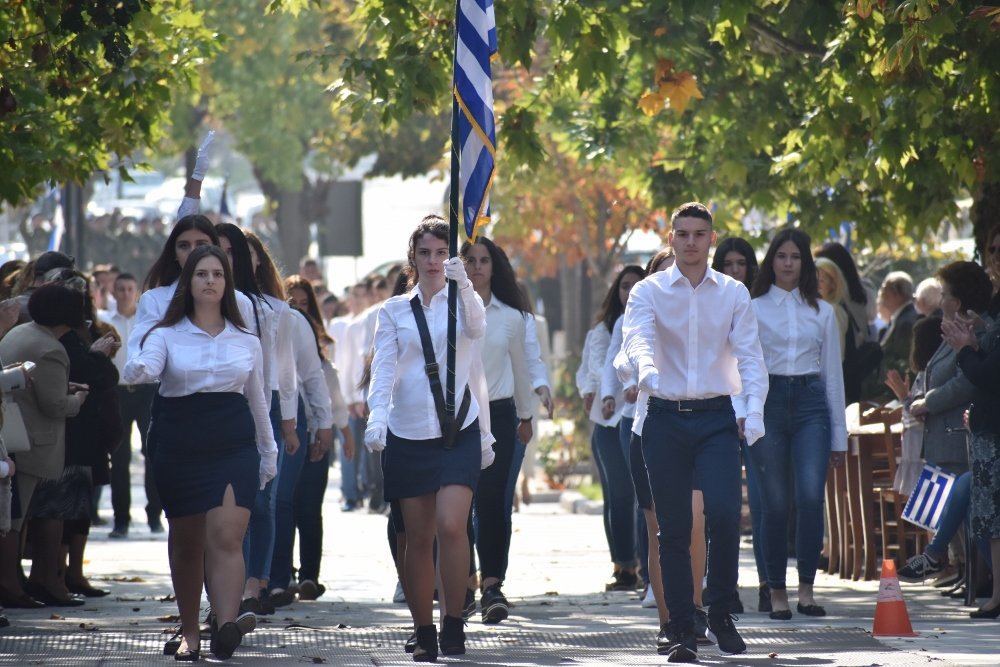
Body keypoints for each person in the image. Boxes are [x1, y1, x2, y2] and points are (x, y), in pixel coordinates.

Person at [623, 202, 767, 661]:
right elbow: (637, 338)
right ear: (671, 239)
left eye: (699, 234)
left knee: (725, 515)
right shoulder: (647, 291)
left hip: (715, 416)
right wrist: (645, 369)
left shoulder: (733, 293)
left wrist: (755, 411)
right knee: (673, 529)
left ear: (712, 238)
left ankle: (721, 610)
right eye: (682, 234)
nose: (690, 242)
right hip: (663, 416)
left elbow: (749, 355)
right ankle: (681, 627)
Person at [123, 245, 277, 661]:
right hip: (179, 440)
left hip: (233, 441)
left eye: (218, 274)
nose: (210, 280)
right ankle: (191, 631)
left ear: (227, 284)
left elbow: (258, 399)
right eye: (201, 274)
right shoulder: (166, 334)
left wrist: (269, 451)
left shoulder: (246, 338)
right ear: (188, 282)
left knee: (228, 536)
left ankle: (226, 627)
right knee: (188, 544)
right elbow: (148, 366)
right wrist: (136, 366)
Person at [365, 215, 492, 661]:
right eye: (426, 253)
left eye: (442, 253)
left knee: (452, 525)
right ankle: (424, 630)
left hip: (457, 430)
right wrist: (376, 415)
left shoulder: (464, 300)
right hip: (409, 430)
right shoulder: (394, 311)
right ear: (413, 258)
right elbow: (383, 368)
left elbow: (477, 331)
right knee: (416, 538)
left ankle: (453, 620)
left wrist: (468, 287)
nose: (434, 261)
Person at [747, 228, 846, 620]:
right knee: (774, 504)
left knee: (809, 498)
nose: (788, 263)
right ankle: (776, 592)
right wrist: (747, 414)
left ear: (805, 263)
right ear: (771, 261)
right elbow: (744, 366)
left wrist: (839, 437)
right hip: (768, 402)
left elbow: (832, 377)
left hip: (810, 405)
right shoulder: (753, 307)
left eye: (795, 257)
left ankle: (807, 589)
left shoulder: (822, 312)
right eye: (781, 256)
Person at [461, 236, 540, 622]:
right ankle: (462, 581)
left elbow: (522, 371)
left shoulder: (511, 317)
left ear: (495, 267)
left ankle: (493, 584)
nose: (477, 267)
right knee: (458, 506)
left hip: (501, 416)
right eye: (470, 259)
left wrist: (526, 416)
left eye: (484, 260)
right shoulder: (446, 311)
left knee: (493, 503)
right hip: (456, 419)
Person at [0, 285, 88, 608]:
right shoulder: (51, 348)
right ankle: (10, 585)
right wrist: (76, 399)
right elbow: (53, 404)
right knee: (13, 521)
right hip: (33, 443)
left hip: (12, 435)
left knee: (13, 518)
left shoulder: (22, 333)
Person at [609, 249, 674, 627]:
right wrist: (633, 378)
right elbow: (624, 354)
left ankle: (694, 606)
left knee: (694, 523)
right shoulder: (641, 306)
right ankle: (668, 615)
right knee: (658, 525)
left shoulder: (712, 305)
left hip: (698, 427)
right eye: (663, 274)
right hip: (647, 425)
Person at [283, 275, 355, 600]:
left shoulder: (323, 362)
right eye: (291, 304)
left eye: (303, 304)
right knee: (281, 507)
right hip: (284, 440)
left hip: (315, 440)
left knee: (309, 508)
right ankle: (280, 576)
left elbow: (333, 400)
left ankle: (309, 575)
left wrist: (343, 433)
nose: (297, 311)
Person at [578, 267, 643, 594]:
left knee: (639, 498)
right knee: (617, 497)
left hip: (636, 420)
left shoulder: (648, 324)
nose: (630, 292)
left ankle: (640, 563)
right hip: (607, 424)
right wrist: (593, 393)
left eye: (637, 285)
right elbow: (591, 369)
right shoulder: (603, 330)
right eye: (624, 286)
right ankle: (623, 566)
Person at [712, 237, 767, 613]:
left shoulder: (758, 305)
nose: (735, 271)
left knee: (765, 504)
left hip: (760, 409)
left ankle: (768, 584)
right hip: (721, 413)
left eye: (741, 263)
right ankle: (724, 588)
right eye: (728, 264)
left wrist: (752, 409)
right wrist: (735, 410)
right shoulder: (711, 303)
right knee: (724, 508)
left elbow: (753, 363)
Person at [942, 309, 1000, 618]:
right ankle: (995, 594)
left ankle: (935, 553)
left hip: (993, 431)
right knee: (990, 518)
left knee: (991, 512)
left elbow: (987, 374)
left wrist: (966, 348)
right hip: (987, 427)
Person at [101, 272, 162, 537]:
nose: (126, 294)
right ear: (114, 293)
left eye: (130, 289)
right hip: (118, 393)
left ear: (136, 293)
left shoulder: (149, 322)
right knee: (119, 456)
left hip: (147, 391)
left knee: (153, 454)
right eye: (121, 289)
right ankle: (121, 519)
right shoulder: (105, 323)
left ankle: (154, 515)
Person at [815, 257, 850, 360]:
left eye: (821, 280)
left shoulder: (833, 311)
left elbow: (836, 355)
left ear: (833, 285)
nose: (816, 285)